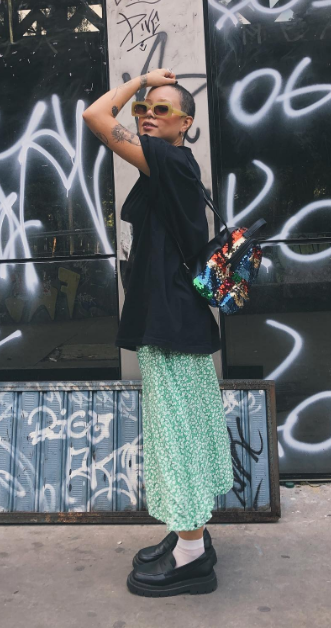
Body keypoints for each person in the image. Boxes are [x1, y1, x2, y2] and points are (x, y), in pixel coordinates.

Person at [82, 69, 234, 597]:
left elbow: (95, 116)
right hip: (176, 319)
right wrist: (146, 88)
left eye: (162, 108)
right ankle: (189, 535)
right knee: (185, 429)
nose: (147, 112)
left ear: (185, 124)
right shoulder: (171, 164)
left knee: (178, 436)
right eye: (145, 105)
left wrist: (141, 79)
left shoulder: (167, 159)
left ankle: (192, 557)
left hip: (170, 324)